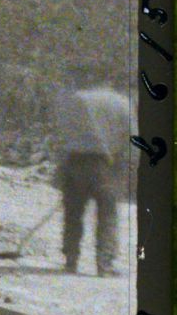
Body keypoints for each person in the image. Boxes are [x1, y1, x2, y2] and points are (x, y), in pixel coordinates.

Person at [54, 85, 131, 275]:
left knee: (73, 213)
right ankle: (104, 265)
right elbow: (132, 137)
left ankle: (70, 261)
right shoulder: (122, 103)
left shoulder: (76, 98)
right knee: (108, 214)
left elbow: (63, 133)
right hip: (106, 164)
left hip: (76, 160)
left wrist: (61, 167)